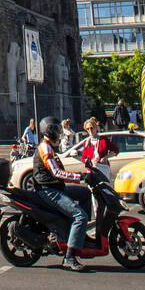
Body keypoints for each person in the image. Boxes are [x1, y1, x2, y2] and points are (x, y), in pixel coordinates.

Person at [30, 116, 92, 273]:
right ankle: (69, 257)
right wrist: (80, 177)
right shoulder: (45, 148)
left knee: (85, 193)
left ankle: (79, 234)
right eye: (57, 131)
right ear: (50, 132)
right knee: (80, 215)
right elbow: (56, 173)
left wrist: (82, 175)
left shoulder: (50, 147)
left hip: (55, 188)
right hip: (48, 191)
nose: (59, 134)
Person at [79, 118, 119, 184]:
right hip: (92, 170)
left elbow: (116, 150)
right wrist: (87, 161)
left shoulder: (103, 140)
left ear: (95, 128)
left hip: (103, 168)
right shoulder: (86, 143)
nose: (90, 130)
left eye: (91, 128)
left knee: (106, 188)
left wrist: (106, 157)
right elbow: (83, 158)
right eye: (87, 129)